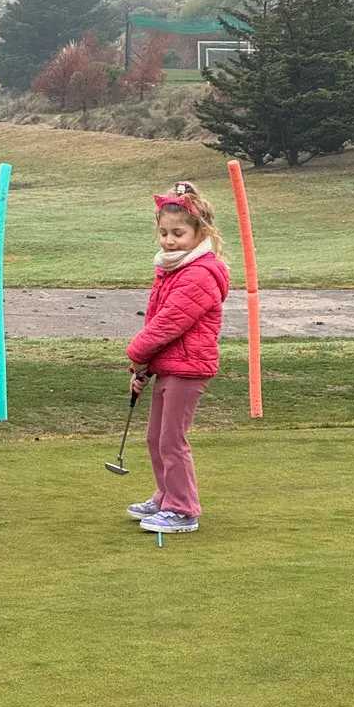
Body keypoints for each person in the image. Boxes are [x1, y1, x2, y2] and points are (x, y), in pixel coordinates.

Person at [124, 182, 230, 534]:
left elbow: (168, 324)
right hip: (169, 365)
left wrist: (136, 353)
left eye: (178, 233)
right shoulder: (171, 267)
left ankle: (183, 509)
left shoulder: (199, 273)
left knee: (172, 439)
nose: (169, 240)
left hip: (189, 369)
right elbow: (157, 321)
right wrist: (144, 367)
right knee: (155, 438)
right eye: (164, 233)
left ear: (201, 232)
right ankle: (166, 496)